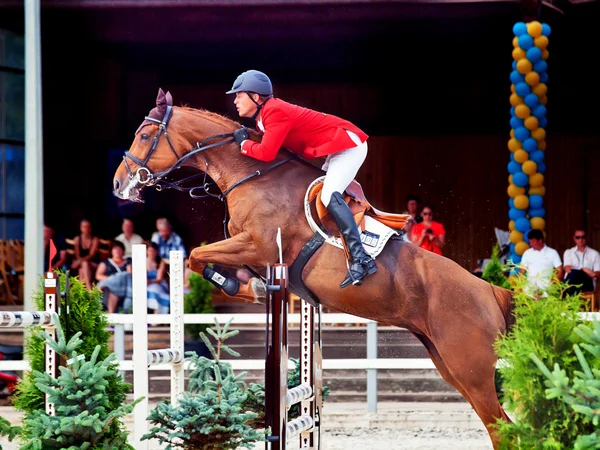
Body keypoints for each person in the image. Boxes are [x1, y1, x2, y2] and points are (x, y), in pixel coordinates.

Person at [226, 69, 375, 288]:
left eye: (239, 94)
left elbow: (266, 153)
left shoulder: (274, 111)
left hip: (348, 146)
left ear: (256, 97)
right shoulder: (262, 119)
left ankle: (361, 259)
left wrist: (244, 145)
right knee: (316, 196)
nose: (235, 100)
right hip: (335, 150)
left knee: (328, 196)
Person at [520, 229, 563, 296]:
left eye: (533, 241)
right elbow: (521, 271)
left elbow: (560, 271)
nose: (531, 244)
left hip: (547, 286)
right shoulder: (527, 253)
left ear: (540, 241)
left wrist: (552, 283)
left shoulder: (552, 252)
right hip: (529, 287)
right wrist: (521, 286)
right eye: (530, 242)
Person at [95, 241, 132, 313]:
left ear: (123, 251)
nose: (117, 251)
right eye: (115, 249)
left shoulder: (128, 261)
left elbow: (129, 274)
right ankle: (110, 315)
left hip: (125, 287)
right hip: (111, 287)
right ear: (111, 251)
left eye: (119, 249)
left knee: (123, 275)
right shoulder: (106, 263)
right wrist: (113, 279)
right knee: (113, 290)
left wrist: (118, 278)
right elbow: (98, 275)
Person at [563, 229, 600, 294]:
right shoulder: (568, 252)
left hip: (587, 283)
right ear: (574, 238)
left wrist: (592, 273)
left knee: (575, 274)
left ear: (587, 238)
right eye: (578, 237)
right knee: (574, 273)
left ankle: (564, 296)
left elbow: (598, 273)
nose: (580, 239)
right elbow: (567, 269)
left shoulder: (594, 254)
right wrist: (583, 269)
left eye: (583, 237)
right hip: (572, 282)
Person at [70, 219, 100, 290]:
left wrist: (81, 261)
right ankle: (87, 289)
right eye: (84, 227)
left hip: (93, 263)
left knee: (84, 264)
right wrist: (81, 262)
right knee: (81, 270)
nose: (86, 229)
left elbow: (91, 255)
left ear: (90, 228)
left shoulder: (95, 239)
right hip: (81, 264)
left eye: (88, 227)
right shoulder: (77, 239)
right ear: (81, 228)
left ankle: (83, 290)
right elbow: (77, 255)